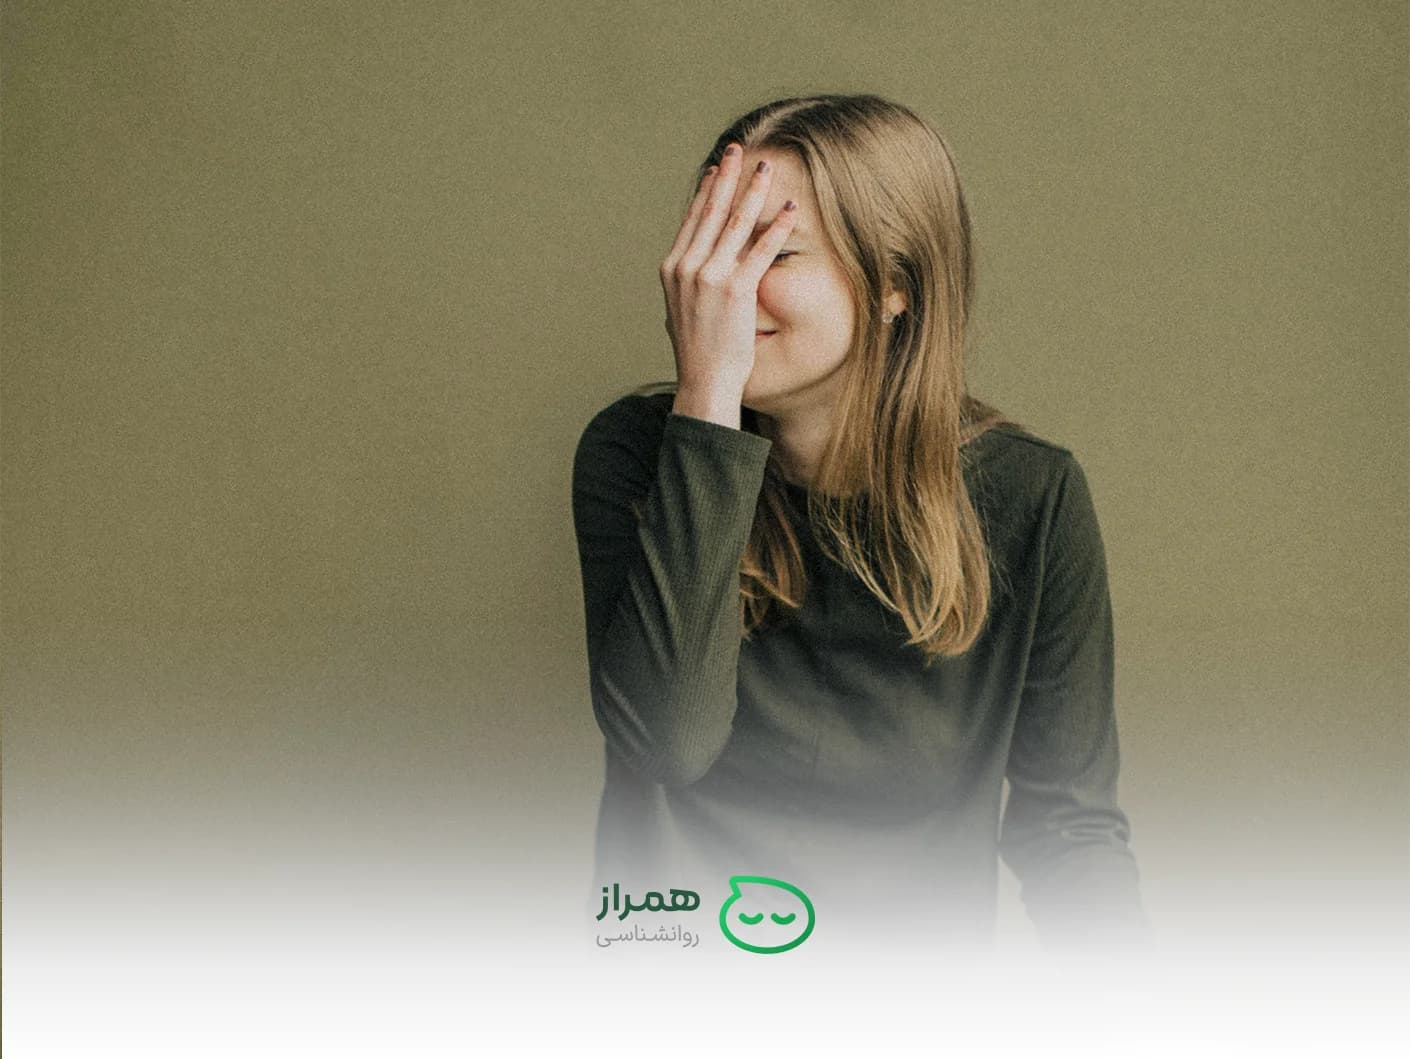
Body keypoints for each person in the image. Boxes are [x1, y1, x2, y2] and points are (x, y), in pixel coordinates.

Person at [571, 94, 1150, 959]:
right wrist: (706, 405)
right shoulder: (635, 454)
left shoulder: (1033, 497)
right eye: (709, 243)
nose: (717, 285)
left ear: (893, 286)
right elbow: (668, 740)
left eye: (768, 248)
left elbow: (1070, 832)